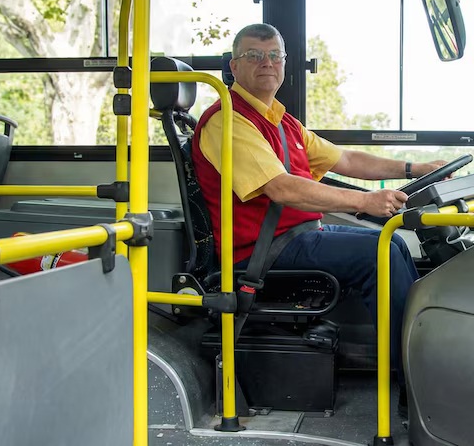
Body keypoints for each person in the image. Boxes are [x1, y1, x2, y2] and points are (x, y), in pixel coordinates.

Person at [191, 23, 451, 416]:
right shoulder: (227, 120)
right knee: (379, 254)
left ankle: (416, 368)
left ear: (284, 63)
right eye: (254, 56)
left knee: (394, 242)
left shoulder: (283, 122)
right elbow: (281, 188)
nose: (267, 63)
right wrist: (364, 201)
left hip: (299, 236)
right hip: (262, 254)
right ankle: (415, 387)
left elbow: (346, 159)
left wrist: (415, 168)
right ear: (234, 66)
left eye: (275, 55)